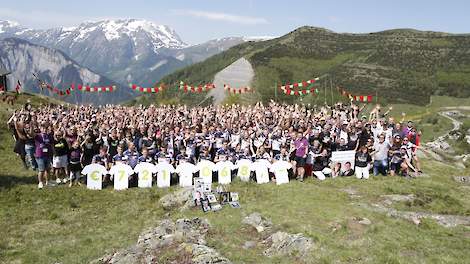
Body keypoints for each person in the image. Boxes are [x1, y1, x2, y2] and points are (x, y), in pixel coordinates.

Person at [34, 123, 53, 189]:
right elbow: (31, 134)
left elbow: (50, 144)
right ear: (40, 129)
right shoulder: (37, 136)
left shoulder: (48, 136)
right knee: (41, 170)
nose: (44, 130)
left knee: (47, 169)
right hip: (40, 155)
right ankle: (40, 182)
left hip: (47, 155)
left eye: (45, 129)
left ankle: (48, 182)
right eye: (43, 129)